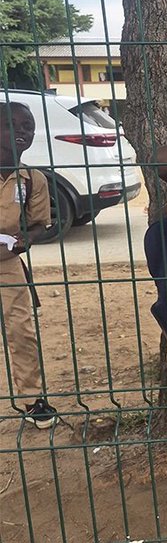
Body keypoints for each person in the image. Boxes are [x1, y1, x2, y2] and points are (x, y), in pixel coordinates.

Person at [0, 101, 57, 428]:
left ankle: (31, 398)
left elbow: (40, 224)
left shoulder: (32, 179)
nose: (23, 132)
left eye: (29, 127)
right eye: (13, 126)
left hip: (7, 262)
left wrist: (28, 237)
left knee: (20, 329)